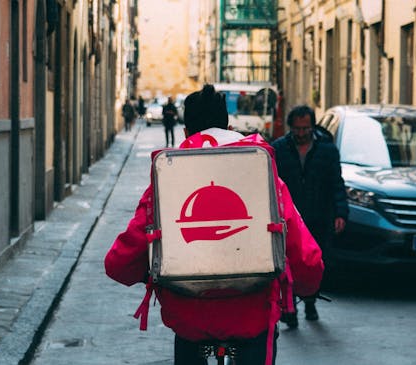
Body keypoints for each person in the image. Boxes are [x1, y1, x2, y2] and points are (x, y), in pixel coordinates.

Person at [104, 85, 324, 365]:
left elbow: (118, 263)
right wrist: (307, 287)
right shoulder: (261, 173)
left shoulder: (167, 180)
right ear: (229, 126)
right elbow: (303, 251)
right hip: (251, 317)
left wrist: (149, 274)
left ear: (186, 132)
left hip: (189, 321)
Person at [271, 104, 349, 328]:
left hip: (319, 217)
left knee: (314, 264)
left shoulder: (327, 150)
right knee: (289, 265)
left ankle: (310, 301)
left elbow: (336, 184)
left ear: (312, 127)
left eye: (305, 128)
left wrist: (340, 212)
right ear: (291, 127)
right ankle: (290, 308)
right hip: (289, 219)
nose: (301, 133)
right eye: (297, 129)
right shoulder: (279, 150)